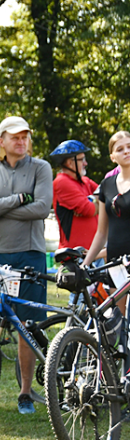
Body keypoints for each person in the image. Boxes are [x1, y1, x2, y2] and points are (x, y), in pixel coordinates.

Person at [0, 116, 53, 415]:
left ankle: (25, 392)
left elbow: (42, 208)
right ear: (1, 141)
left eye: (25, 137)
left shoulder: (41, 167)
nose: (21, 142)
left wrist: (1, 208)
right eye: (14, 137)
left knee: (27, 327)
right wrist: (20, 199)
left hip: (30, 254)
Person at [83, 131, 130, 311]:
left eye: (129, 147)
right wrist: (85, 264)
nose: (126, 151)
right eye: (120, 149)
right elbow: (101, 233)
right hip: (116, 263)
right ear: (112, 157)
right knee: (118, 325)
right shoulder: (107, 185)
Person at [51, 140, 99, 250]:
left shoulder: (84, 180)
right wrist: (98, 203)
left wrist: (92, 200)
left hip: (94, 251)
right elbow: (89, 210)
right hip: (76, 254)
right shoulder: (62, 182)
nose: (86, 163)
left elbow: (107, 193)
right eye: (82, 160)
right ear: (69, 163)